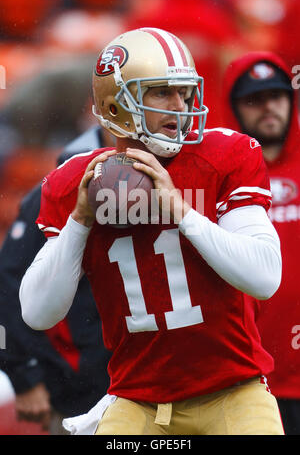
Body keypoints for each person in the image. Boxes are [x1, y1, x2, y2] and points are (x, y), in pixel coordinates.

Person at [19, 27, 284, 436]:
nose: (180, 105)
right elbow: (37, 312)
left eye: (184, 91)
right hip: (137, 398)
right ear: (115, 104)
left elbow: (265, 277)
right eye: (162, 92)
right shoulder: (78, 181)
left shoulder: (223, 155)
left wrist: (182, 212)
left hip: (232, 390)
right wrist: (81, 221)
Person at [0, 125, 113, 434]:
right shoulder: (64, 185)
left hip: (154, 384)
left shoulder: (173, 181)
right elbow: (4, 286)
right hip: (79, 393)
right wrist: (25, 375)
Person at [222, 51, 300, 436]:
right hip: (245, 380)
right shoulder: (219, 177)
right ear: (234, 108)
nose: (269, 107)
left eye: (278, 95)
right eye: (254, 99)